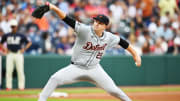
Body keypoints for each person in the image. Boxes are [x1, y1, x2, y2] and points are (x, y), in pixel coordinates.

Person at [37, 2, 141, 101]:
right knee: (54, 78)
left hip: (95, 69)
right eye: (95, 21)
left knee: (114, 90)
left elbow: (123, 43)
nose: (96, 24)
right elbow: (67, 19)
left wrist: (135, 54)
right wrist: (54, 8)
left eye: (100, 23)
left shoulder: (109, 37)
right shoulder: (85, 30)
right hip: (76, 67)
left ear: (105, 26)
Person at [0, 19, 32, 91]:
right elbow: (1, 43)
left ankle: (21, 87)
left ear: (16, 27)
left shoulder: (21, 35)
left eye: (14, 26)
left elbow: (29, 42)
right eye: (12, 26)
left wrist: (24, 49)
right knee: (9, 71)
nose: (13, 28)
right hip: (10, 54)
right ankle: (9, 87)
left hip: (18, 54)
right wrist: (5, 49)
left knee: (20, 71)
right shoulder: (6, 35)